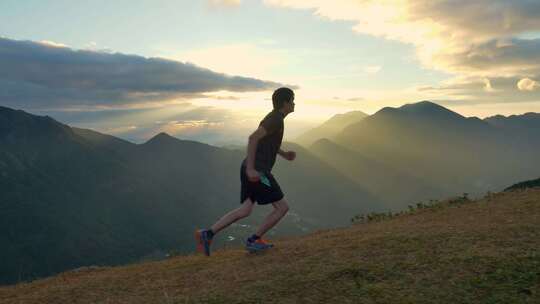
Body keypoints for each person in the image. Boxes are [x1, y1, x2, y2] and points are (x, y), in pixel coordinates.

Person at [195, 87, 296, 256]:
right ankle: (254, 240)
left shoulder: (276, 119)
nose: (294, 103)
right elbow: (253, 138)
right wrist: (251, 169)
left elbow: (268, 141)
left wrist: (284, 154)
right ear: (285, 103)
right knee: (282, 207)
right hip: (258, 172)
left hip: (250, 169)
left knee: (245, 210)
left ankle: (207, 233)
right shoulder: (276, 119)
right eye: (292, 100)